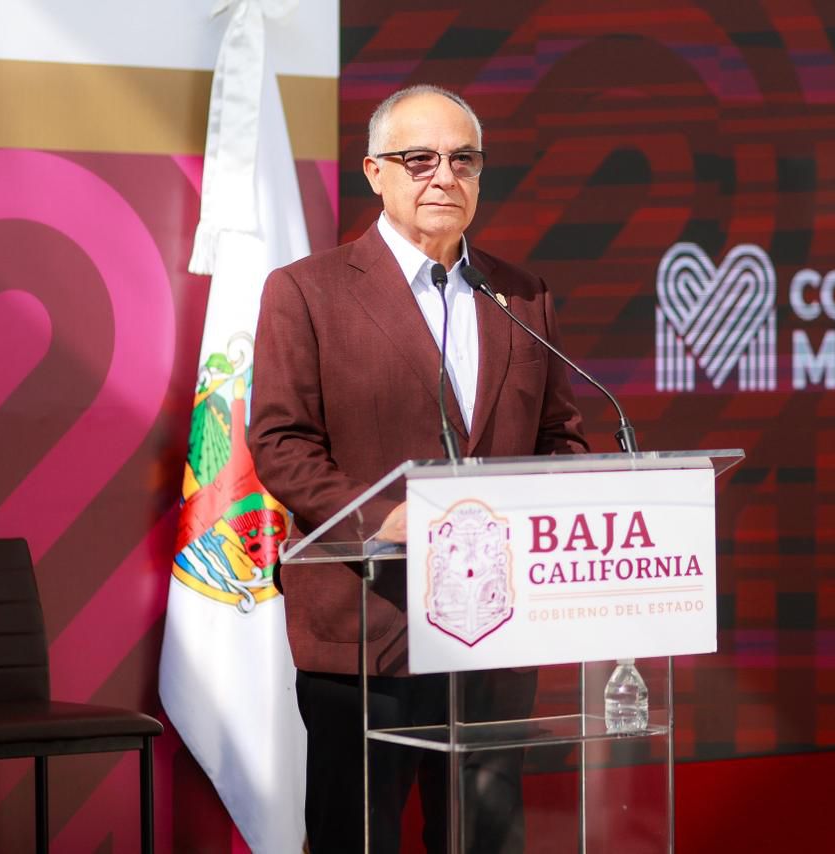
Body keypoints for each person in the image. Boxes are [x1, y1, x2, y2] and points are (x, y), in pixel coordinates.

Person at [248, 84, 588, 853]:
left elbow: (560, 437)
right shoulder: (307, 291)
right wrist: (385, 520)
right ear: (375, 172)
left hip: (496, 626)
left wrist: (556, 511)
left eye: (464, 160)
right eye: (419, 159)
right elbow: (281, 440)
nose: (445, 177)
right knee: (357, 837)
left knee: (485, 839)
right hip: (370, 625)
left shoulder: (521, 295)